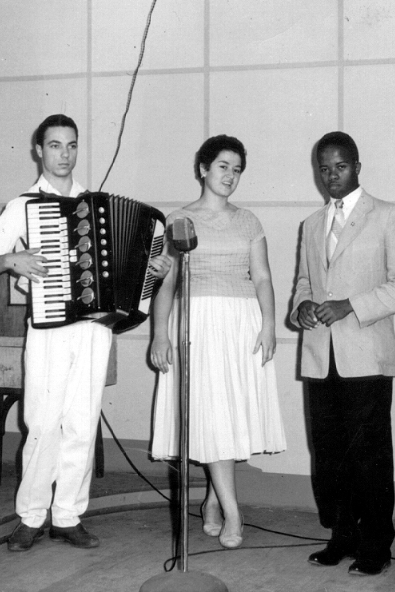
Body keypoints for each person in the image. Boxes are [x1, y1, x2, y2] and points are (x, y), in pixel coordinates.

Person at [0, 114, 172, 552]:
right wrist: (11, 261)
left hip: (95, 329)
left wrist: (155, 271)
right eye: (55, 145)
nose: (64, 154)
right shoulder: (23, 206)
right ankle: (31, 517)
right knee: (42, 422)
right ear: (38, 151)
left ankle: (68, 516)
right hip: (48, 330)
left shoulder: (95, 203)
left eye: (71, 145)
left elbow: (134, 275)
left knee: (82, 423)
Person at [290, 131, 395, 576]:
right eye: (323, 168)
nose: (332, 176)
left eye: (340, 166)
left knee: (369, 456)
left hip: (366, 356)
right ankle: (341, 536)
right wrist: (301, 308)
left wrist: (352, 306)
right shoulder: (310, 224)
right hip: (319, 357)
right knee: (328, 455)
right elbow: (305, 285)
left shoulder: (387, 216)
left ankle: (376, 545)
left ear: (357, 166)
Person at [149, 135, 287, 550]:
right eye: (224, 166)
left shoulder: (249, 221)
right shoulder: (179, 219)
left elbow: (262, 276)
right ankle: (233, 511)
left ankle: (213, 497)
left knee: (228, 417)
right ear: (203, 169)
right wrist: (159, 333)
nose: (231, 176)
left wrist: (268, 325)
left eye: (238, 169)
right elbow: (167, 283)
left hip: (240, 323)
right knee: (210, 416)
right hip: (197, 323)